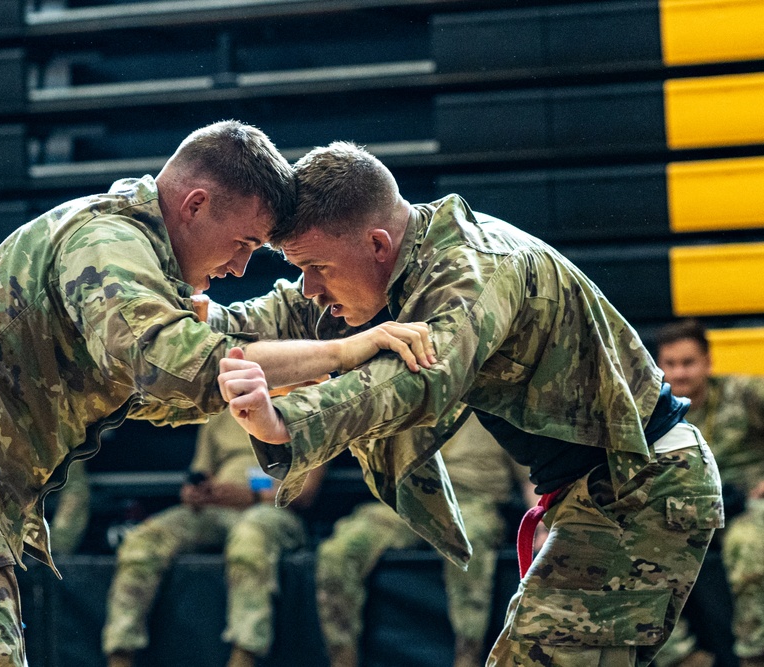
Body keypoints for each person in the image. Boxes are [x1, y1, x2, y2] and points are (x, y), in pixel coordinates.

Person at [0, 122, 436, 667]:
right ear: (194, 205)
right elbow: (173, 366)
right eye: (245, 244)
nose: (243, 267)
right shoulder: (107, 243)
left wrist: (335, 307)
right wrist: (342, 351)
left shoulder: (139, 261)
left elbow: (210, 347)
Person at [214, 141, 724, 666]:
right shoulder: (399, 261)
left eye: (317, 267)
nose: (311, 288)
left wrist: (288, 421)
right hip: (602, 488)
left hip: (639, 481)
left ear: (377, 244)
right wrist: (187, 332)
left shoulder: (474, 268)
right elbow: (282, 315)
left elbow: (420, 377)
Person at [316, 411, 538, 667]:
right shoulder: (413, 391)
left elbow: (531, 477)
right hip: (407, 500)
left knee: (471, 543)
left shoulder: (496, 403)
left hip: (473, 501)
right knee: (341, 549)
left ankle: (468, 658)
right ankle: (342, 659)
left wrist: (543, 527)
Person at [103, 409, 323, 667]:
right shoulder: (224, 409)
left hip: (274, 510)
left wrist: (252, 494)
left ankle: (244, 657)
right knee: (144, 539)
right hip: (216, 506)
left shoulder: (310, 405)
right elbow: (199, 473)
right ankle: (120, 655)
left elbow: (306, 492)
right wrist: (195, 493)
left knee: (250, 536)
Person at [652, 319, 764, 667]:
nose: (679, 373)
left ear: (708, 363)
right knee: (640, 549)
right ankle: (682, 658)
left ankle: (754, 655)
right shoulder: (652, 411)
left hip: (746, 499)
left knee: (749, 543)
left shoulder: (742, 393)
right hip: (685, 510)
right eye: (670, 364)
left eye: (688, 363)